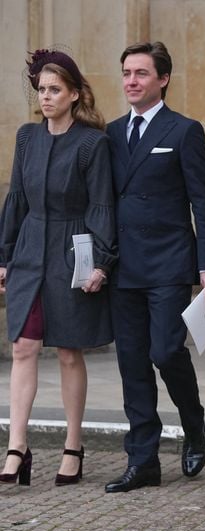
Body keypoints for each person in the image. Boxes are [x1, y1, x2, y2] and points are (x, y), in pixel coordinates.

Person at [104, 42, 205, 493]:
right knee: (132, 361)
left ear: (163, 79)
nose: (131, 81)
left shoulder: (184, 130)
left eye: (141, 73)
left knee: (165, 351)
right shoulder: (111, 133)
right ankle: (143, 460)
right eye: (126, 73)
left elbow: (203, 202)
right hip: (123, 266)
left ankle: (193, 423)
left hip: (170, 262)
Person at [0, 48, 117, 486]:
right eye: (42, 89)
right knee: (24, 347)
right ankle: (17, 448)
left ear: (73, 94)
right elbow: (16, 199)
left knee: (69, 351)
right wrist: (3, 255)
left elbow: (103, 204)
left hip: (73, 252)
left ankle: (73, 445)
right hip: (30, 249)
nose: (45, 97)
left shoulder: (92, 144)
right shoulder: (26, 137)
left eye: (54, 90)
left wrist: (102, 261)